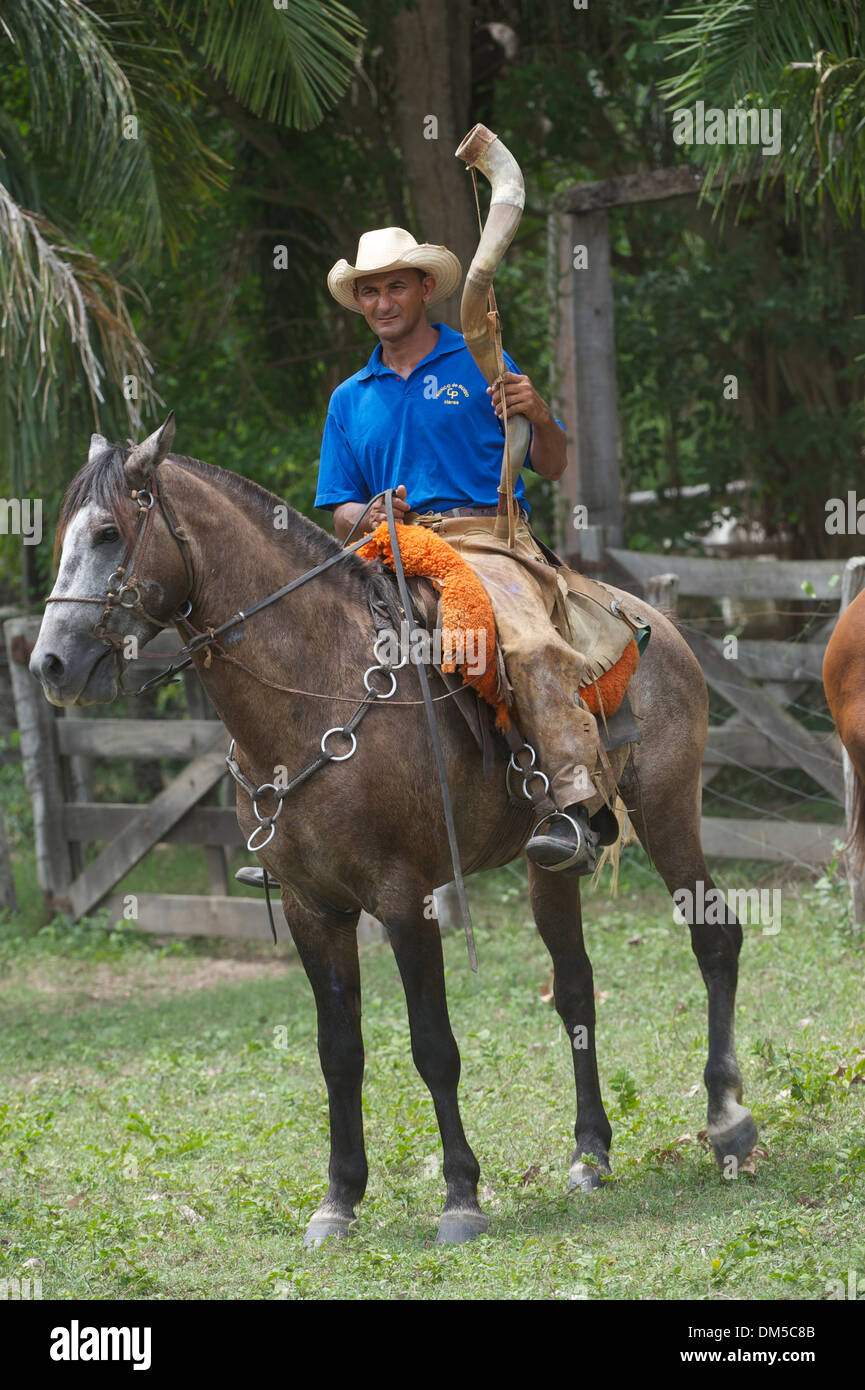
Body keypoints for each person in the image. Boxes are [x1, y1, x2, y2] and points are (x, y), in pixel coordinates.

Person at [313, 227, 618, 875]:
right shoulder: (349, 397)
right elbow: (338, 503)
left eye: (395, 285)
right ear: (358, 303)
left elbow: (554, 465)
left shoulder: (480, 360)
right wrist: (364, 513)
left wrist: (536, 413)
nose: (382, 302)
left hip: (486, 540)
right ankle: (302, 824)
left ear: (426, 288)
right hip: (387, 549)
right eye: (369, 291)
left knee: (531, 645)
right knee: (297, 636)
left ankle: (574, 809)